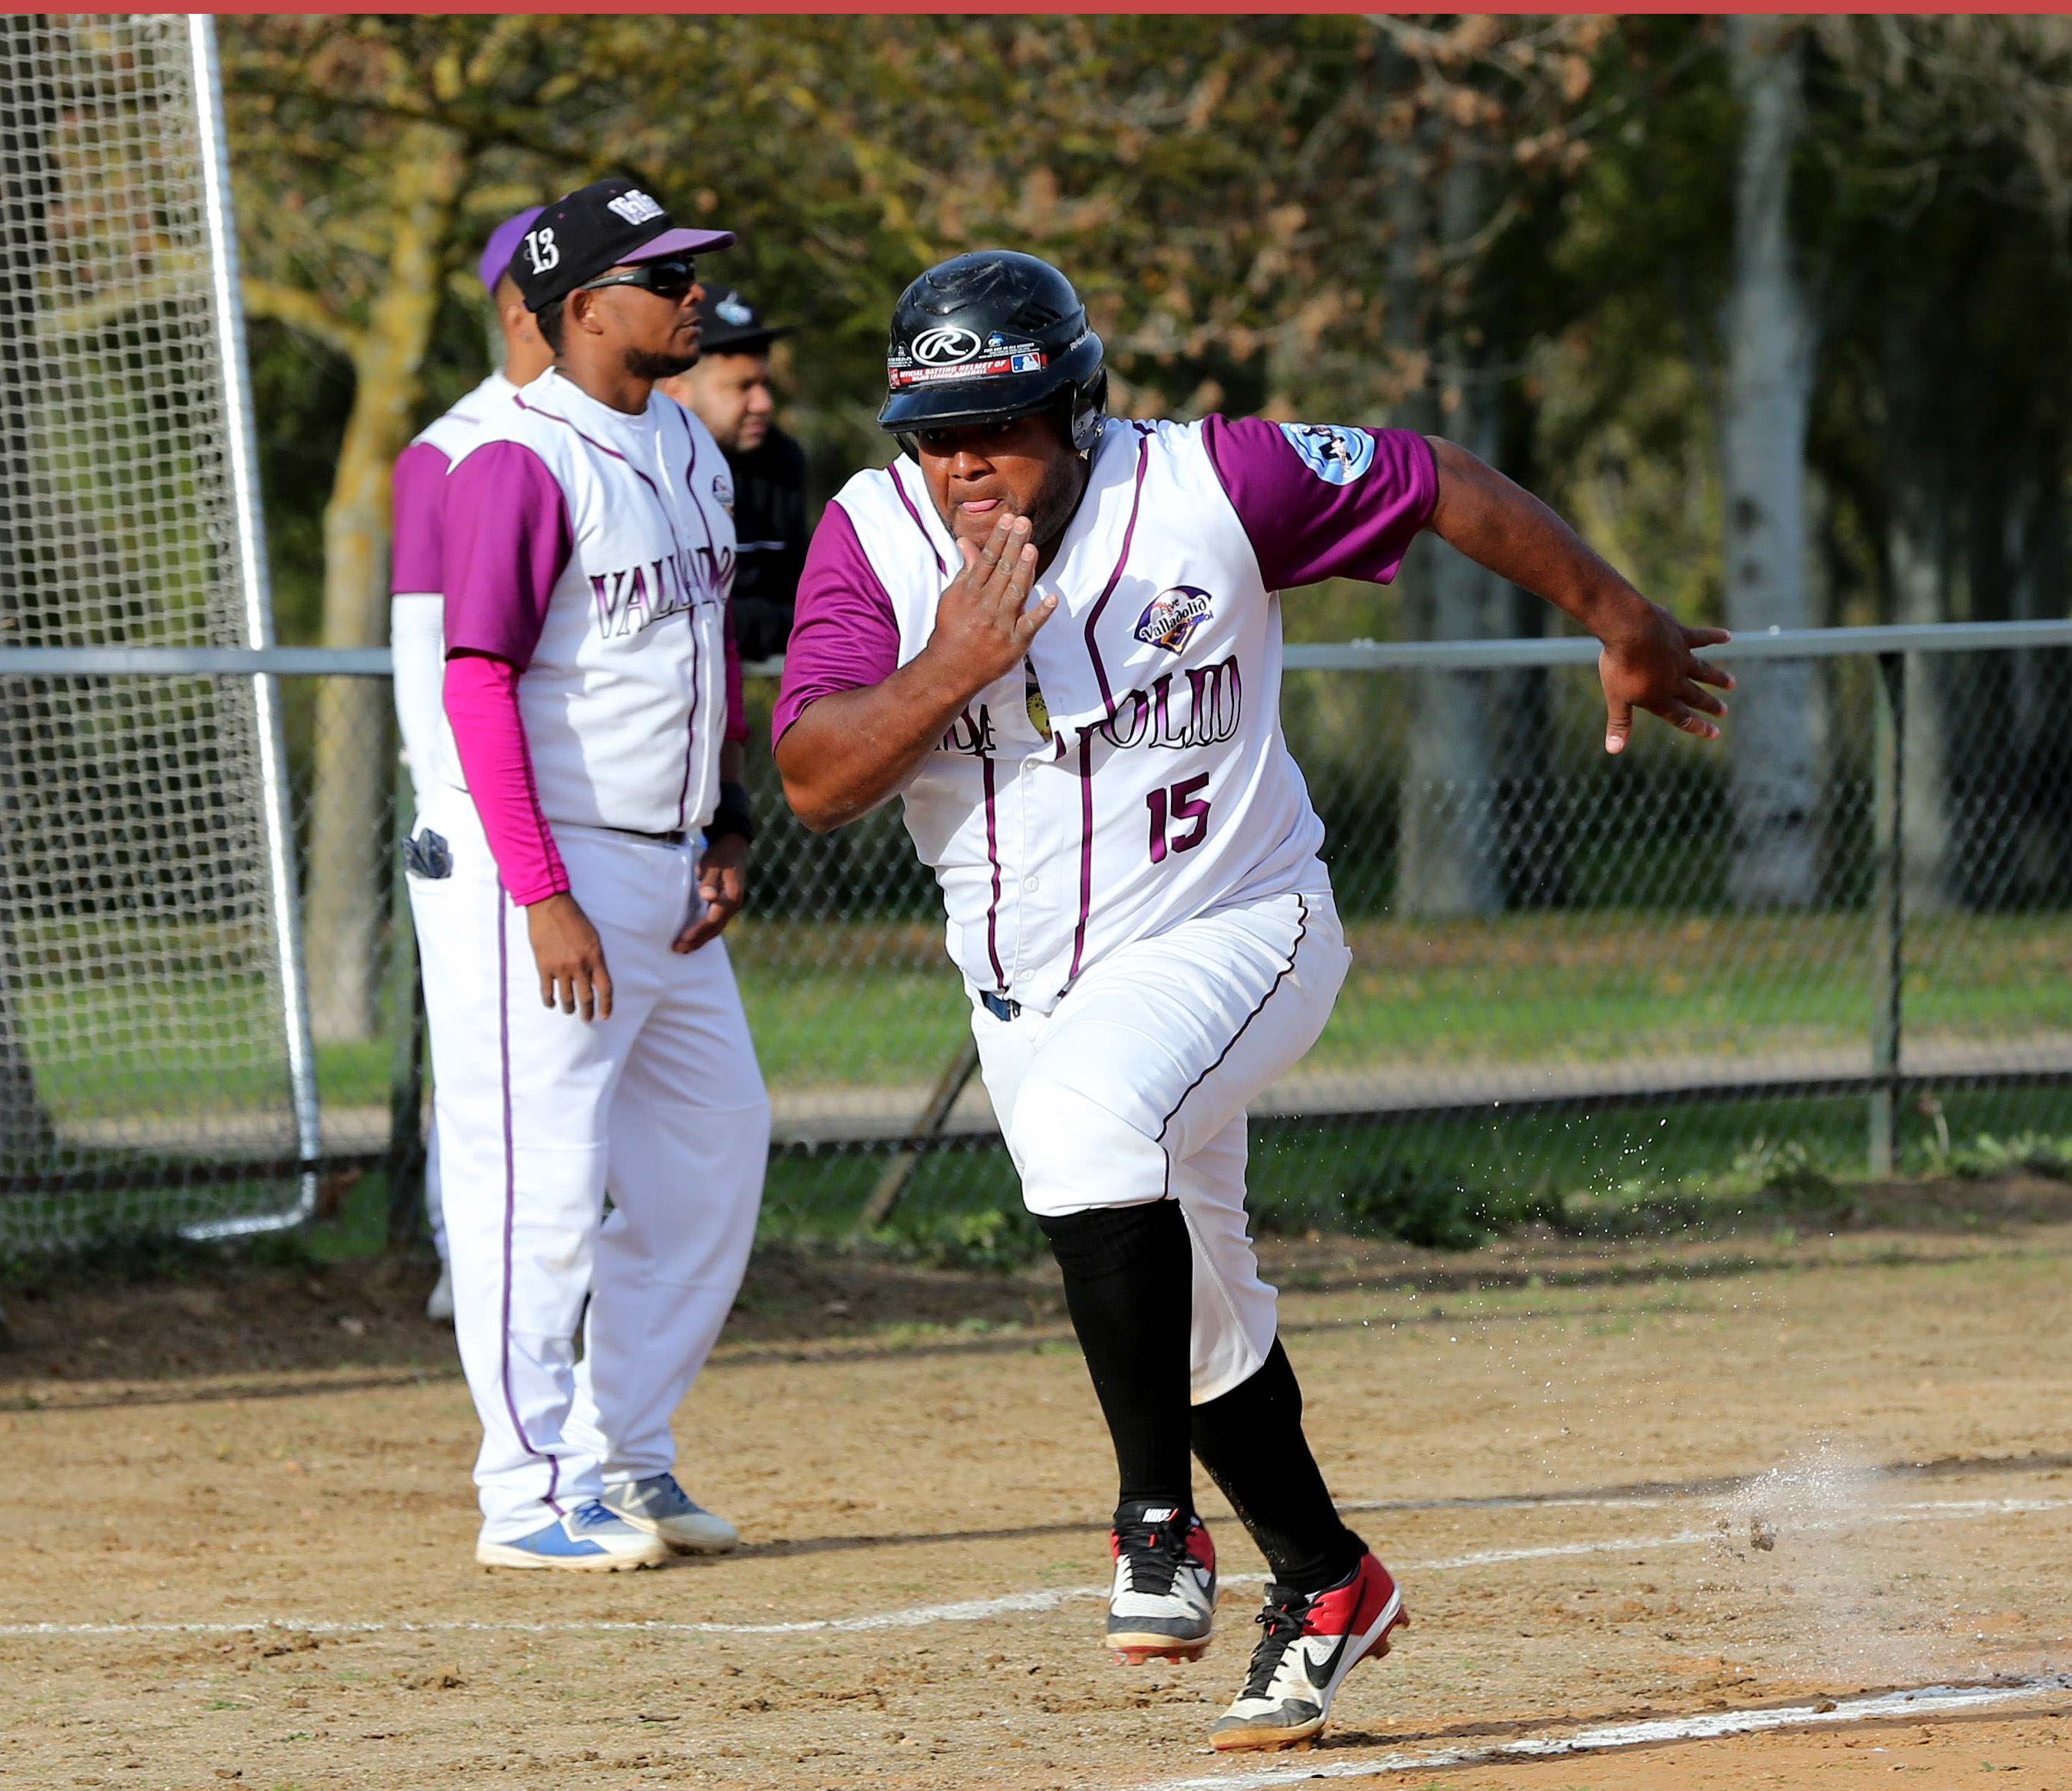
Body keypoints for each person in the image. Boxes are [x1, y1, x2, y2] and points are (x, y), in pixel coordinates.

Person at [773, 250, 1731, 1749]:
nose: (967, 463)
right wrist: (949, 664)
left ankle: (1154, 1520)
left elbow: (1433, 481)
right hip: (1028, 989)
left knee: (1095, 1139)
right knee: (1192, 1305)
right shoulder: (873, 541)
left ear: (1079, 409)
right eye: (937, 432)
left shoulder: (1216, 484)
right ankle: (1329, 1580)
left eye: (1003, 425)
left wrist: (1618, 610)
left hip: (1243, 922)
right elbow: (816, 777)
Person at [408, 177, 770, 1572]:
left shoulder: (686, 443)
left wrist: (729, 820)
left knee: (711, 1158)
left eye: (690, 272)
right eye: (665, 276)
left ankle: (624, 1452)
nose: (695, 296)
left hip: (671, 870)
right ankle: (528, 1490)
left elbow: (710, 655)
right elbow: (477, 684)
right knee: (537, 1183)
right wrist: (542, 889)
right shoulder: (517, 458)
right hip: (547, 872)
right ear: (581, 308)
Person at [391, 206, 556, 1324]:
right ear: (524, 307)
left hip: (584, 819)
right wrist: (451, 804)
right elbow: (425, 645)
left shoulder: (622, 435)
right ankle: (468, 1254)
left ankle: (549, 1272)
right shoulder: (450, 448)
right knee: (490, 1069)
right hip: (483, 817)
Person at [657, 286, 807, 662]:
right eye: (742, 387)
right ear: (678, 392)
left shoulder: (779, 458)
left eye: (764, 385)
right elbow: (665, 616)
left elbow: (809, 607)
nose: (763, 404)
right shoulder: (647, 469)